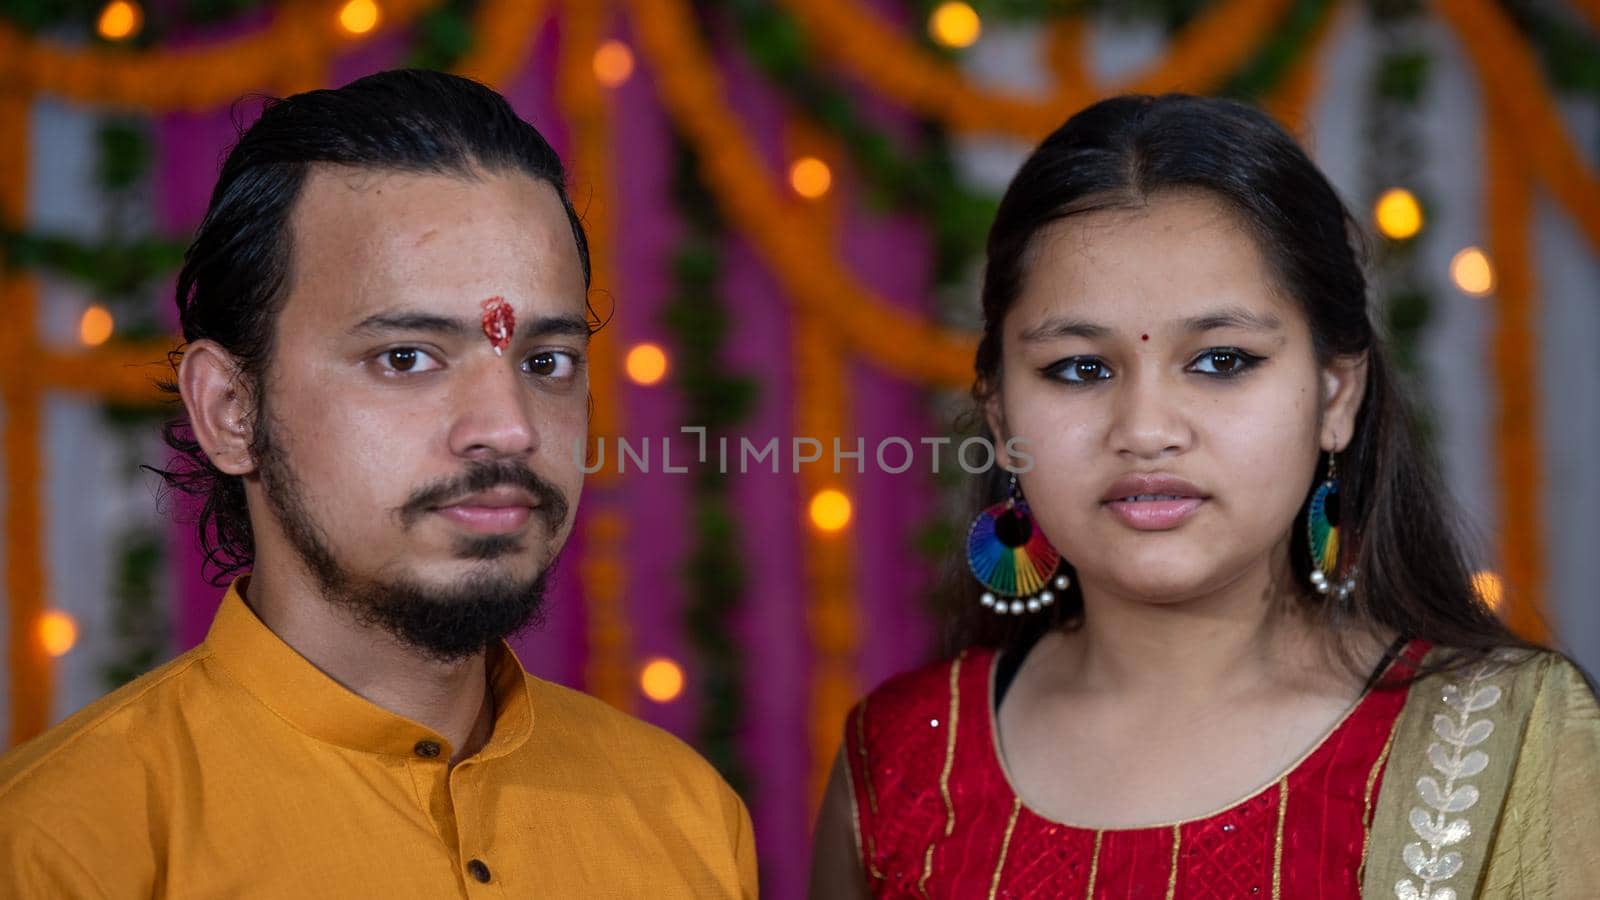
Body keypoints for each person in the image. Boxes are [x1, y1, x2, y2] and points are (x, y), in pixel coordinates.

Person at [809, 93, 1600, 898]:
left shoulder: (1501, 740)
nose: (1146, 429)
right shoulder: (902, 760)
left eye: (1222, 360)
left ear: (1335, 397)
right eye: (1081, 368)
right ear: (1003, 413)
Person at [0, 69, 756, 898]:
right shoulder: (66, 846)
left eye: (547, 361)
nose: (510, 428)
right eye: (406, 358)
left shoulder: (684, 816)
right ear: (230, 410)